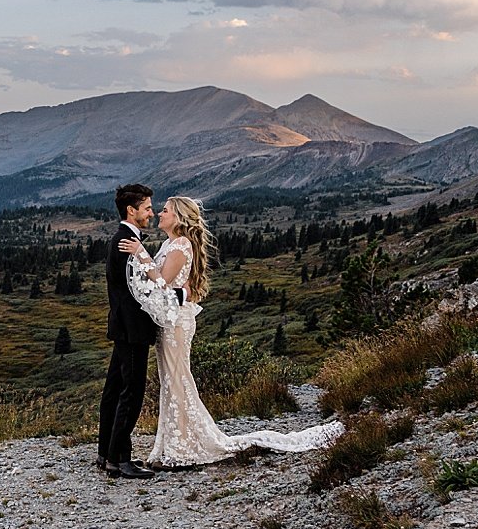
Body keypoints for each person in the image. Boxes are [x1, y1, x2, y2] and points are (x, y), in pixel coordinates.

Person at [119, 196, 344, 467]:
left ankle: (181, 449)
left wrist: (140, 253)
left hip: (177, 325)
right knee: (171, 381)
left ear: (178, 217)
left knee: (178, 380)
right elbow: (178, 285)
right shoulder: (170, 243)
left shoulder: (181, 244)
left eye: (165, 211)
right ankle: (172, 446)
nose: (159, 214)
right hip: (171, 322)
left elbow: (163, 282)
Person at [97, 183, 159, 478]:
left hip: (123, 328)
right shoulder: (125, 242)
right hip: (132, 329)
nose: (152, 212)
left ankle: (104, 452)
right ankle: (118, 459)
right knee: (131, 393)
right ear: (131, 211)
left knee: (113, 390)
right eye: (147, 208)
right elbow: (138, 291)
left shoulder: (125, 239)